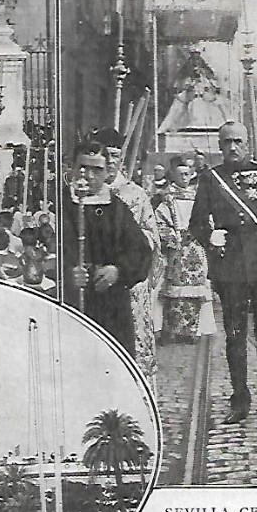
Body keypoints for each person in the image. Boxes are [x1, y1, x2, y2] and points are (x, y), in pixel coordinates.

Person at [189, 121, 257, 431]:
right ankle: (240, 402)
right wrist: (210, 236)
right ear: (219, 146)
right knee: (235, 338)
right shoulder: (211, 179)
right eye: (226, 142)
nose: (232, 147)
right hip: (231, 265)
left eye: (237, 141)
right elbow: (196, 222)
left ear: (248, 143)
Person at [62, 139, 152, 357]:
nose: (89, 176)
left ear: (106, 172)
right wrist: (65, 272)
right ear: (72, 168)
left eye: (97, 170)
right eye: (83, 168)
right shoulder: (59, 204)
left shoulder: (117, 209)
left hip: (110, 304)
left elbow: (140, 252)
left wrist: (118, 270)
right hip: (68, 302)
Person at [95, 128, 163, 383]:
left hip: (130, 281)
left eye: (116, 155)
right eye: (106, 155)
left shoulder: (135, 194)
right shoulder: (86, 194)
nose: (111, 161)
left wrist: (130, 245)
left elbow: (152, 236)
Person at [155, 157, 215, 343]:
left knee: (197, 288)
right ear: (173, 174)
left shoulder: (198, 196)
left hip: (196, 246)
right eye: (181, 174)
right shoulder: (166, 198)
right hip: (176, 248)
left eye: (187, 174)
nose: (184, 178)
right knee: (173, 288)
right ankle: (172, 328)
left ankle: (193, 330)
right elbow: (159, 221)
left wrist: (204, 233)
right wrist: (172, 237)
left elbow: (209, 219)